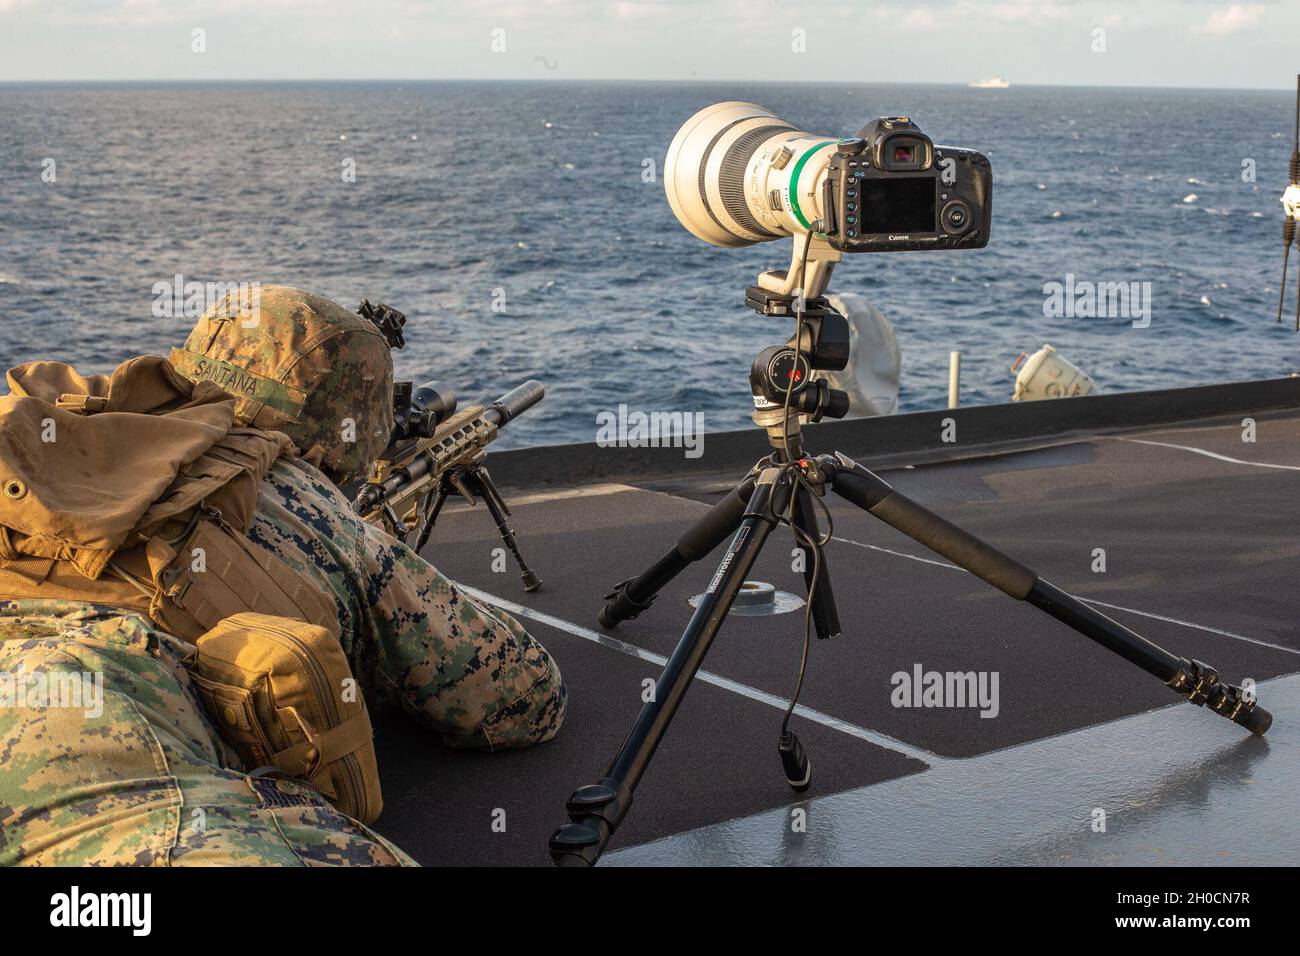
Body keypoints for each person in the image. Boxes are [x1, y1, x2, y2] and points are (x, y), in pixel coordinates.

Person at [0, 287, 565, 866]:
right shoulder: (303, 500)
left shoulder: (72, 427)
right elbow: (520, 698)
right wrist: (360, 570)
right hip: (90, 730)